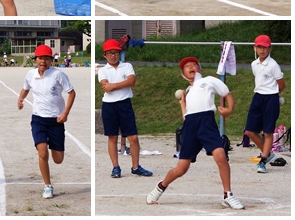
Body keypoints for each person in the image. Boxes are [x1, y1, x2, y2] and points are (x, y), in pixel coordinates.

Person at [146, 56, 244, 210]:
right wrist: (182, 104)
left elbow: (227, 93)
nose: (191, 67)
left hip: (207, 123)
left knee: (220, 155)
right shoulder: (188, 91)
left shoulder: (208, 81)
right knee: (181, 168)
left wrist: (230, 109)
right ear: (183, 74)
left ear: (200, 70)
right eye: (187, 66)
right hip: (190, 126)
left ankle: (228, 195)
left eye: (194, 64)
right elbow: (187, 117)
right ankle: (160, 187)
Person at [17, 45, 76, 199]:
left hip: (56, 120)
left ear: (51, 60)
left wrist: (65, 113)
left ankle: (53, 144)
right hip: (38, 119)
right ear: (35, 59)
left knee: (58, 159)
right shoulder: (31, 74)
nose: (43, 61)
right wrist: (20, 99)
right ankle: (47, 186)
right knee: (42, 152)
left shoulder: (58, 75)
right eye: (40, 58)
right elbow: (25, 88)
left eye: (46, 58)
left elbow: (71, 93)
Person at [97, 39, 153, 178]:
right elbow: (106, 87)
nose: (113, 56)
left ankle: (136, 166)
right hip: (109, 106)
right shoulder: (102, 70)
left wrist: (114, 85)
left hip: (125, 104)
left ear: (120, 53)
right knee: (112, 137)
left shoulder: (127, 66)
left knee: (133, 137)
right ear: (105, 55)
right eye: (110, 53)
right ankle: (116, 167)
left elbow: (131, 81)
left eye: (116, 52)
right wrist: (122, 84)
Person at [245, 35, 285, 173]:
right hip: (258, 97)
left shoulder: (273, 65)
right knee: (249, 131)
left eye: (265, 47)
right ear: (254, 48)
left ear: (270, 48)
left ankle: (263, 161)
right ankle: (268, 154)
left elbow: (281, 84)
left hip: (271, 98)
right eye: (259, 47)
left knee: (268, 131)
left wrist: (274, 96)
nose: (262, 50)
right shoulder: (254, 64)